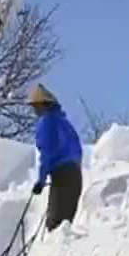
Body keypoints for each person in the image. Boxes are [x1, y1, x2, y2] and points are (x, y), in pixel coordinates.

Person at [28, 84, 84, 232]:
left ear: (43, 105)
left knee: (55, 225)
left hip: (62, 175)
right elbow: (78, 150)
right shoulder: (65, 123)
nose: (34, 111)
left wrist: (41, 181)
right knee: (66, 224)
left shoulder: (46, 122)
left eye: (35, 106)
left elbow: (47, 152)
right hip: (76, 176)